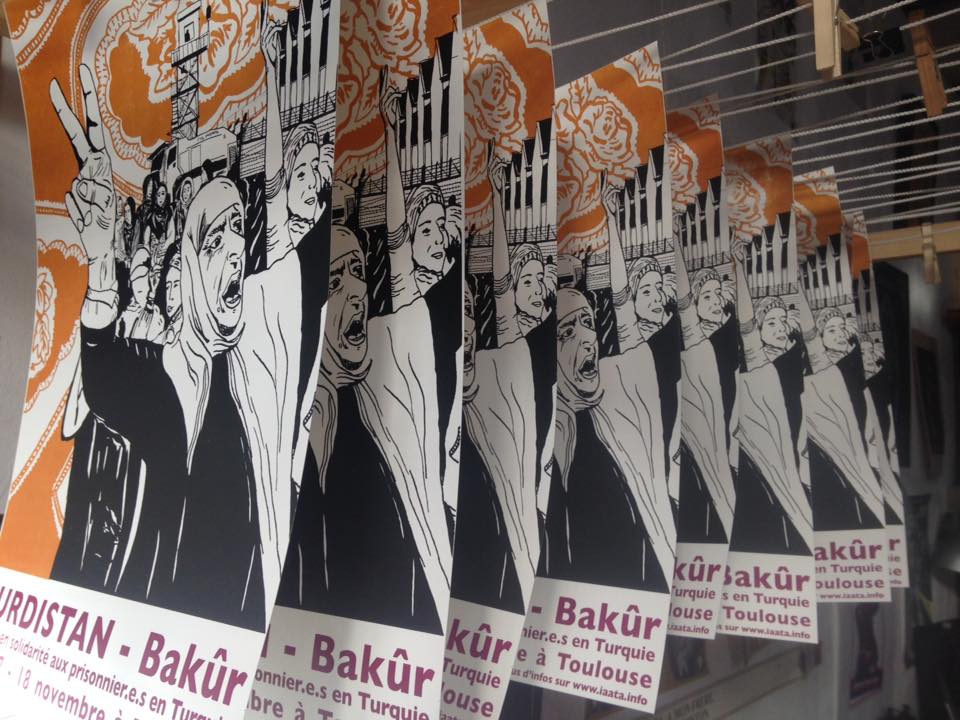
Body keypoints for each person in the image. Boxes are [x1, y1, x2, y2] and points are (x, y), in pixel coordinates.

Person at [52, 63, 319, 629]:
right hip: (129, 639)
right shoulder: (149, 369)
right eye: (213, 239)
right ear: (189, 265)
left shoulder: (244, 388)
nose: (233, 251)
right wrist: (101, 265)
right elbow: (101, 372)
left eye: (237, 231)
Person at [279, 224, 451, 633]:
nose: (356, 290)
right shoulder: (290, 431)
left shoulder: (372, 414)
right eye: (335, 281)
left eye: (358, 271)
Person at [728, 238, 812, 555]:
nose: (778, 328)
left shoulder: (792, 362)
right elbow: (747, 326)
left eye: (782, 322)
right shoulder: (756, 364)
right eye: (771, 322)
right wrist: (740, 269)